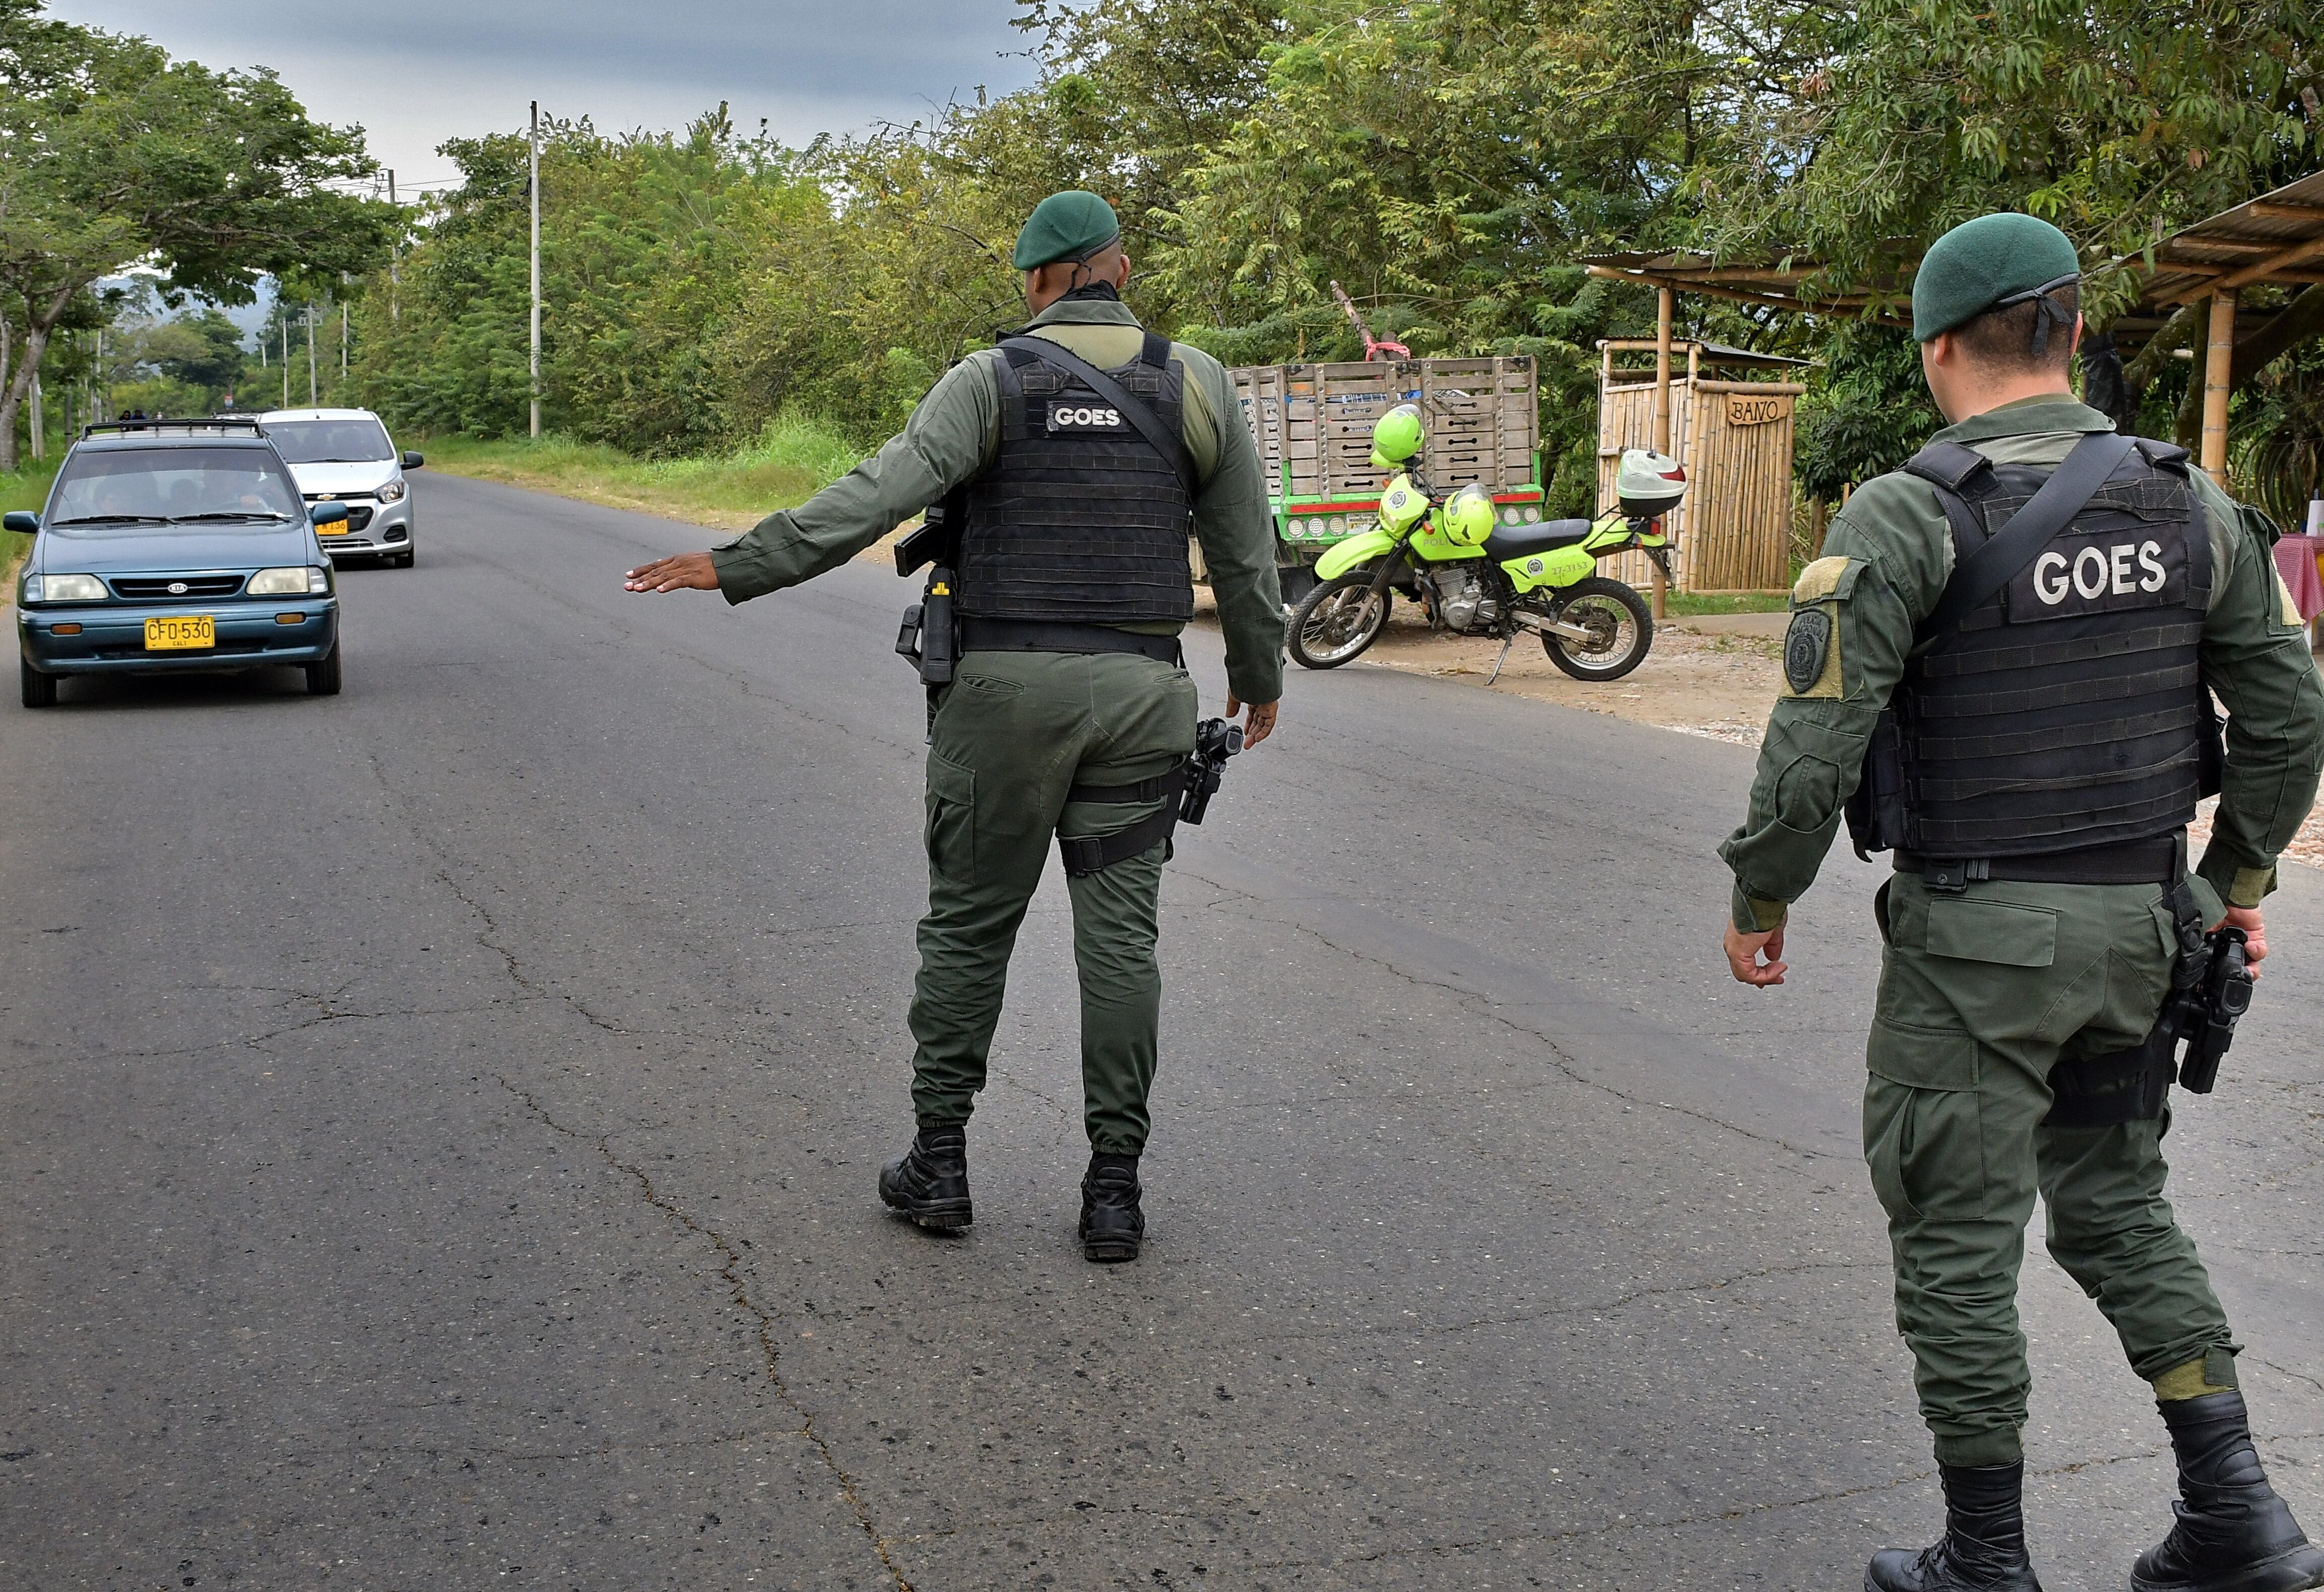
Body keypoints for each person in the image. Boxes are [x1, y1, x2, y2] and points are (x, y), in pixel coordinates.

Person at [1717, 212, 2324, 1592]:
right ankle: (2238, 1514)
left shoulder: (1904, 512)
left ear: (1937, 347)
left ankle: (1984, 1556)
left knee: (1955, 1235)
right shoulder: (2191, 503)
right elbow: (2289, 720)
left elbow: (1812, 748)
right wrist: (2226, 888)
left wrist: (1762, 893)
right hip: (2141, 929)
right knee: (2116, 1206)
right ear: (2069, 331)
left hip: (1976, 947)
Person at [624, 191, 1284, 1263]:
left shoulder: (988, 379)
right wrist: (1258, 678)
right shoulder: (1196, 381)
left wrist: (738, 563)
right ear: (1119, 270)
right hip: (1140, 693)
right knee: (1122, 940)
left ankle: (940, 1164)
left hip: (1003, 697)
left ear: (1039, 278)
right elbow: (1247, 555)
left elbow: (876, 493)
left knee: (972, 924)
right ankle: (1113, 1192)